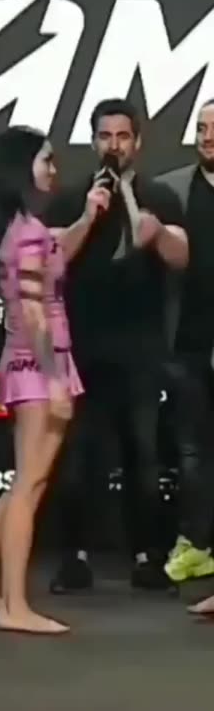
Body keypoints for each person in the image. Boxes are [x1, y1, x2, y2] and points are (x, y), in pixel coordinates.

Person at [0, 126, 110, 634]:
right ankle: (14, 606)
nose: (53, 169)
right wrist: (55, 379)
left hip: (35, 363)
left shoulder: (27, 230)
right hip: (39, 367)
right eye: (46, 160)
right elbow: (34, 313)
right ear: (22, 168)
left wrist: (88, 217)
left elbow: (57, 251)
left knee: (28, 479)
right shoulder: (26, 234)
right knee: (29, 486)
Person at [46, 99, 188, 593]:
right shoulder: (71, 199)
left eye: (122, 136)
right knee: (77, 456)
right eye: (105, 136)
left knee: (142, 454)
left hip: (140, 346)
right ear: (93, 142)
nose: (114, 145)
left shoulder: (160, 196)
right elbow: (51, 258)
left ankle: (148, 557)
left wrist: (156, 233)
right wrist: (88, 218)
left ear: (137, 142)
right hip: (81, 345)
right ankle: (74, 558)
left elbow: (181, 256)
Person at [156, 99, 214, 608]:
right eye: (201, 127)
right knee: (192, 453)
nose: (207, 136)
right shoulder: (171, 190)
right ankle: (197, 543)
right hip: (187, 345)